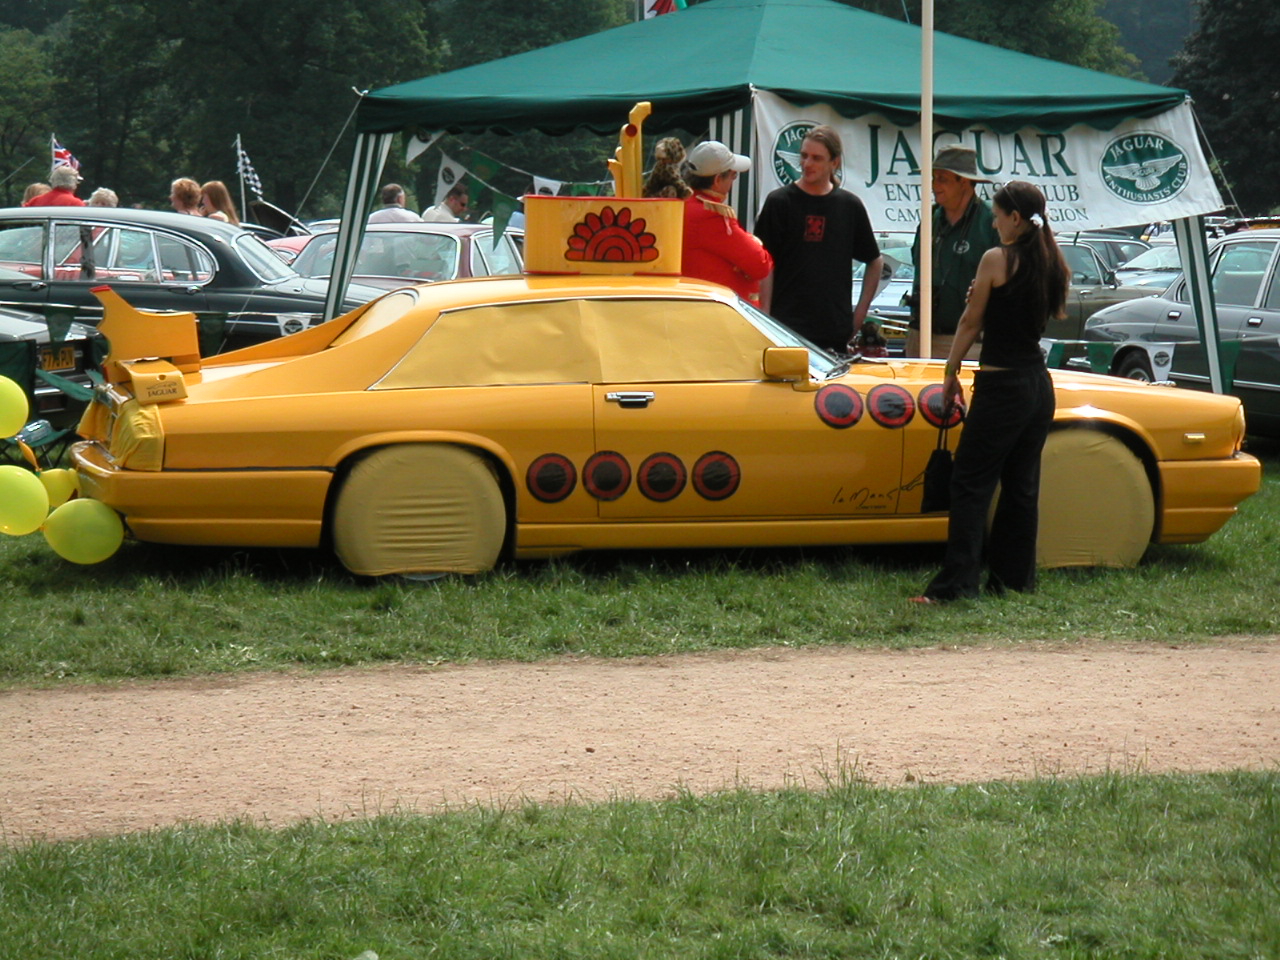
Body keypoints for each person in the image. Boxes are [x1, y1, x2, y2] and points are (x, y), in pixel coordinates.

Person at [913, 181, 1069, 604]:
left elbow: (971, 320)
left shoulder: (997, 259)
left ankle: (956, 585)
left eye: (998, 217)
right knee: (1021, 487)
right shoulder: (1052, 262)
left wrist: (950, 370)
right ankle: (1014, 581)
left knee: (970, 483)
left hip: (1002, 385)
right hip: (1038, 385)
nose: (994, 223)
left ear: (1015, 219)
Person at [754, 125, 882, 353]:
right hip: (786, 329)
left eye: (816, 158)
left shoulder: (849, 206)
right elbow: (763, 264)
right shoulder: (779, 202)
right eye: (804, 156)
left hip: (833, 331)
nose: (807, 164)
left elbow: (875, 261)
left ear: (834, 163)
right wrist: (765, 315)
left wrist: (860, 314)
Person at [907, 145, 1000, 359]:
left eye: (943, 179)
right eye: (933, 178)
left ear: (965, 182)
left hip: (968, 342)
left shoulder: (990, 222)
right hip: (920, 337)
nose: (934, 186)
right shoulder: (929, 218)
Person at [679, 141, 773, 305]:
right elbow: (761, 265)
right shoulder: (711, 215)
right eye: (732, 176)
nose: (732, 181)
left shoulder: (681, 205)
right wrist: (755, 242)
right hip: (716, 311)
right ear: (717, 180)